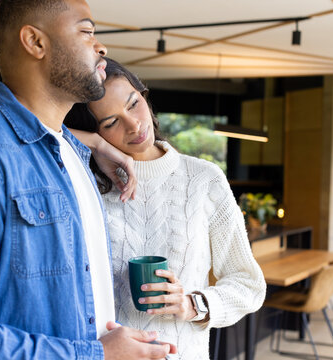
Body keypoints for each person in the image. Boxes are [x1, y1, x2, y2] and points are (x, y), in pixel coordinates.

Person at [0, 1, 176, 359]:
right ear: (35, 41)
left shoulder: (72, 154)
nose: (101, 47)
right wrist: (95, 355)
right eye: (87, 32)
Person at [65, 57, 267, 360]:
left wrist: (192, 305)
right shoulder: (83, 182)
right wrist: (94, 144)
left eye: (133, 104)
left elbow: (248, 283)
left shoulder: (205, 180)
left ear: (144, 96)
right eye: (110, 123)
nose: (134, 124)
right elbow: (29, 134)